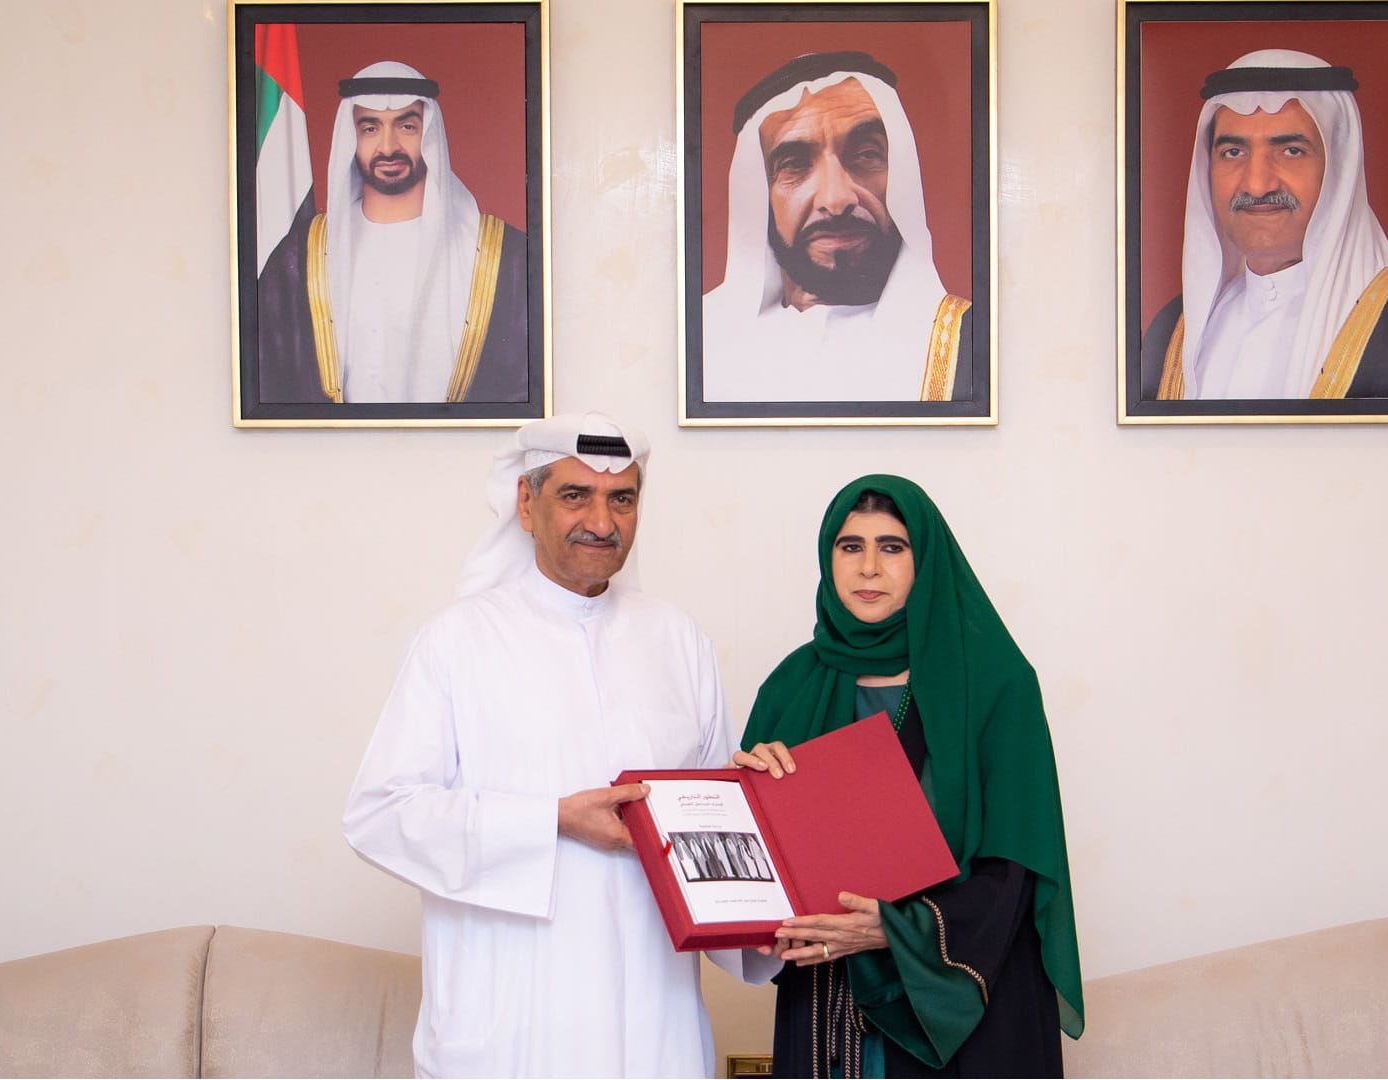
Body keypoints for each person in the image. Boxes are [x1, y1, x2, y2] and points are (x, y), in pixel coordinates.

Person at [342, 412, 731, 1077]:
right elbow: (381, 813)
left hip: (651, 1015)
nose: (602, 523)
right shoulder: (457, 641)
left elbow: (716, 818)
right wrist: (550, 821)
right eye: (575, 495)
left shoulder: (679, 641)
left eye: (622, 499)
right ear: (526, 503)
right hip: (513, 1021)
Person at [732, 475, 1084, 1077]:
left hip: (970, 1009)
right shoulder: (791, 688)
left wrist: (894, 931)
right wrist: (750, 801)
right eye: (850, 547)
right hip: (827, 1004)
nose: (869, 568)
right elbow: (759, 870)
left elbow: (1017, 870)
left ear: (925, 559)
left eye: (892, 547)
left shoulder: (996, 684)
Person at [702, 52, 976, 404]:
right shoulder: (701, 343)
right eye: (795, 165)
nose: (836, 199)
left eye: (865, 154)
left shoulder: (968, 344)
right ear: (759, 197)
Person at [1141, 49, 1388, 401]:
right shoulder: (1171, 332)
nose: (1257, 184)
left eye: (1291, 151)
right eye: (1233, 152)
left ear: (1338, 168)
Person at [258, 60, 529, 405]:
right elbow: (270, 382)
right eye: (370, 128)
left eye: (407, 127)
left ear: (428, 133)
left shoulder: (503, 256)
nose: (387, 147)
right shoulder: (300, 257)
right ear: (350, 136)